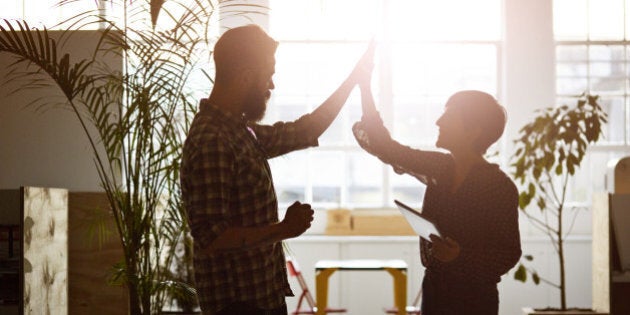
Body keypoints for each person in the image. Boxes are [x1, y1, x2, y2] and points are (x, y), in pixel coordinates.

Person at [180, 24, 373, 315]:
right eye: (268, 76)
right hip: (239, 306)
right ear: (246, 76)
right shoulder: (214, 140)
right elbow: (212, 238)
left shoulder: (239, 131)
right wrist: (283, 229)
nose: (271, 86)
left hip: (259, 298)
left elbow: (302, 130)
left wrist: (353, 81)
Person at [352, 63, 522, 314]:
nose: (438, 121)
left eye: (449, 116)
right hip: (435, 292)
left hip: (474, 300)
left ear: (474, 131)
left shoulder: (499, 187)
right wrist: (365, 86)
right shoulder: (441, 167)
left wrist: (459, 256)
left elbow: (508, 253)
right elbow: (386, 147)